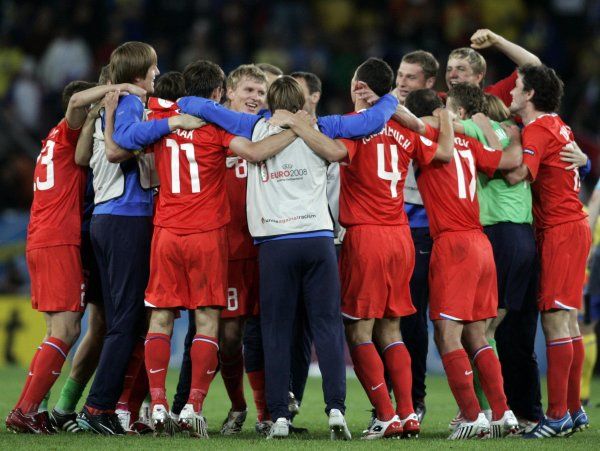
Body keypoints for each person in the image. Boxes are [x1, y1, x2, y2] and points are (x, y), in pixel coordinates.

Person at [143, 60, 297, 438]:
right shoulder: (220, 132)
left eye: (261, 93)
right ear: (222, 93)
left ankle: (164, 403)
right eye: (249, 91)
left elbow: (129, 142)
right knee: (219, 330)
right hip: (213, 241)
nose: (256, 98)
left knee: (170, 319)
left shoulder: (160, 121)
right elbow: (256, 152)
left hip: (242, 242)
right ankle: (201, 406)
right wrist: (301, 130)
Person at [76, 41, 202, 435]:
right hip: (126, 217)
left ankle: (104, 408)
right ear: (138, 70)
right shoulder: (130, 101)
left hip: (111, 218)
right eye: (152, 67)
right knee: (127, 321)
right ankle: (98, 409)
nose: (155, 73)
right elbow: (120, 147)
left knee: (123, 320)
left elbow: (107, 149)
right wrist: (171, 124)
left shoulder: (123, 101)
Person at [5, 79, 145, 434]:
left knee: (59, 329)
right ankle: (25, 410)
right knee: (66, 330)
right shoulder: (68, 131)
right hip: (60, 239)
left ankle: (29, 410)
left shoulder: (51, 140)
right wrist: (117, 89)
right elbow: (78, 103)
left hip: (42, 236)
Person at [330, 58, 453, 439]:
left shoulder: (352, 127)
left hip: (366, 236)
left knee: (359, 332)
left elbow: (329, 151)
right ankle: (407, 413)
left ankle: (385, 414)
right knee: (392, 328)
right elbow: (443, 153)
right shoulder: (403, 130)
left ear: (358, 86)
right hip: (401, 235)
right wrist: (442, 118)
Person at [404, 87, 523, 439]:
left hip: (453, 244)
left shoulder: (425, 137)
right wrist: (512, 133)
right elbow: (509, 159)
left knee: (447, 333)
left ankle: (472, 416)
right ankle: (503, 413)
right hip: (480, 242)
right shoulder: (468, 144)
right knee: (476, 334)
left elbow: (416, 125)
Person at [504, 64, 592, 438]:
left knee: (556, 321)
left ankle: (555, 416)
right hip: (573, 226)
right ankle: (573, 411)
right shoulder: (559, 124)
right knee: (568, 322)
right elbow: (572, 168)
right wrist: (585, 164)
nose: (510, 92)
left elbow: (518, 174)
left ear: (530, 95)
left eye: (516, 87)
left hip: (558, 230)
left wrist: (499, 146)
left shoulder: (537, 130)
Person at [393, 49, 441, 422]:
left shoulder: (441, 116)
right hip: (386, 227)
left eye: (410, 78)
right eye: (399, 76)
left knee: (412, 315)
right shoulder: (386, 109)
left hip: (422, 225)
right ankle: (399, 397)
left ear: (428, 83)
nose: (401, 83)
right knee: (385, 315)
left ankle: (415, 399)